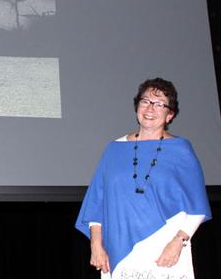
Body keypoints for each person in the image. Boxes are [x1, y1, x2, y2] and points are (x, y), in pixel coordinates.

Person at [75, 78, 211, 278]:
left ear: (170, 114)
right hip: (119, 249)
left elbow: (197, 206)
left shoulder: (181, 150)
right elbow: (97, 202)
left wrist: (179, 242)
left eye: (159, 104)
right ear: (137, 106)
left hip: (166, 248)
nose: (150, 108)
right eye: (145, 101)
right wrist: (96, 244)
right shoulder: (114, 149)